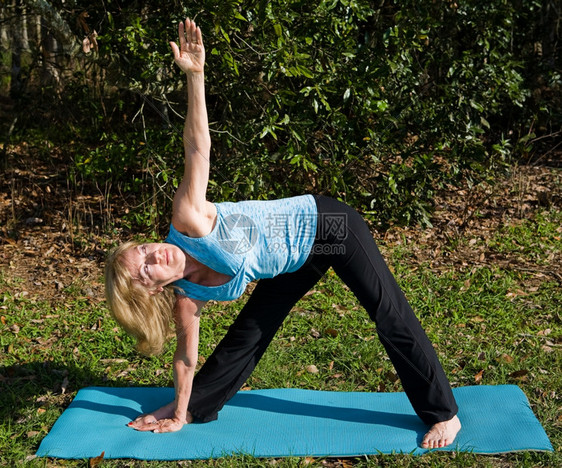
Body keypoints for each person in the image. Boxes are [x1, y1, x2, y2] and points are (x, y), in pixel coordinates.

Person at [104, 18, 461, 449]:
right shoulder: (187, 298)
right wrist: (178, 412)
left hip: (327, 226)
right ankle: (199, 407)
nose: (153, 254)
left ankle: (445, 413)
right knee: (250, 331)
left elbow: (197, 148)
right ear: (150, 290)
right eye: (144, 267)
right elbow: (186, 357)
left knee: (386, 312)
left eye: (143, 248)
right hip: (292, 259)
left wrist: (195, 77)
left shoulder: (188, 221)